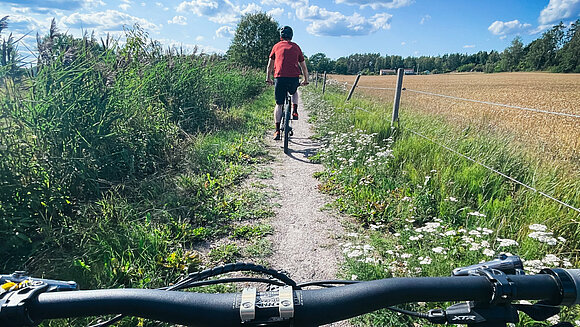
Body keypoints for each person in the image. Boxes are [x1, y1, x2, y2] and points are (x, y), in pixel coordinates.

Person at [266, 26, 309, 140]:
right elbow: (303, 67)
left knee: (279, 104)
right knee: (294, 91)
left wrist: (268, 78)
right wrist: (306, 79)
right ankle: (294, 110)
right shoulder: (296, 47)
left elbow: (270, 65)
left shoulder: (276, 46)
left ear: (281, 36)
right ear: (291, 36)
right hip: (293, 78)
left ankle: (277, 131)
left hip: (280, 78)